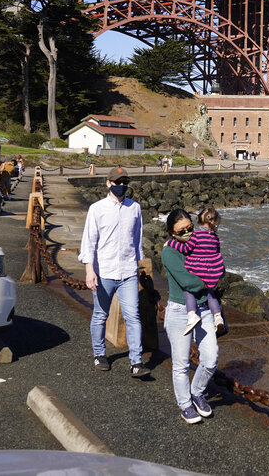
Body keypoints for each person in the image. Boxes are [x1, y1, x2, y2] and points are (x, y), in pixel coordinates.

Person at [79, 166, 149, 377]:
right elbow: (89, 242)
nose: (121, 186)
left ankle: (136, 362)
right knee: (100, 315)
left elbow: (137, 239)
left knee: (133, 316)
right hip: (104, 271)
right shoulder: (97, 209)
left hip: (128, 271)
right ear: (108, 183)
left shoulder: (134, 208)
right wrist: (89, 270)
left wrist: (138, 265)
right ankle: (99, 354)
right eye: (117, 182)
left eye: (124, 182)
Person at [162, 209, 219, 424]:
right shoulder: (169, 252)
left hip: (203, 308)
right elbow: (187, 281)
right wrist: (208, 281)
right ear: (171, 233)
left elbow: (216, 258)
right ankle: (185, 404)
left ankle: (197, 391)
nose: (187, 232)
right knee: (181, 363)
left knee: (211, 358)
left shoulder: (199, 243)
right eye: (181, 231)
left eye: (190, 228)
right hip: (178, 311)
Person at [176, 207, 226, 335]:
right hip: (211, 271)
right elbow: (217, 252)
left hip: (197, 270)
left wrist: (171, 244)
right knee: (211, 294)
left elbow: (186, 249)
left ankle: (192, 315)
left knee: (189, 291)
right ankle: (218, 318)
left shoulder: (196, 235)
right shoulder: (215, 237)